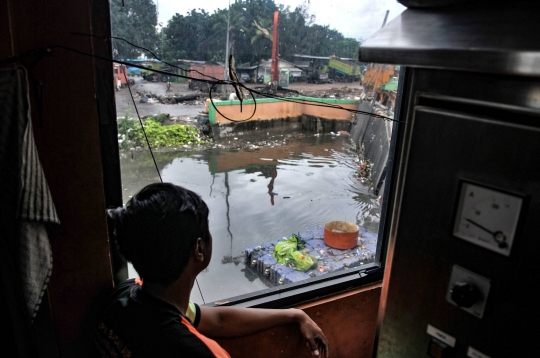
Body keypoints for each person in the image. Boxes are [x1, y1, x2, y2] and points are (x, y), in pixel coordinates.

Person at [94, 183, 329, 358]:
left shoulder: (127, 294)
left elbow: (218, 321)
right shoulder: (202, 354)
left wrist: (294, 314)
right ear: (199, 249)